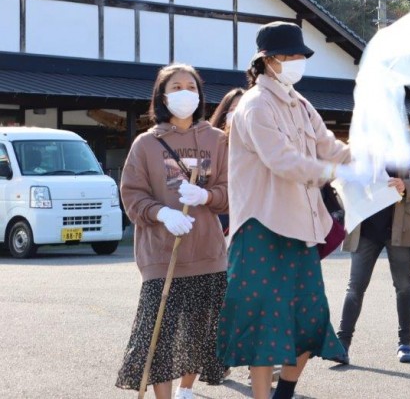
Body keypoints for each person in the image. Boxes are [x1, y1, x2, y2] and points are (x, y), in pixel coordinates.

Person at [216, 21, 371, 399]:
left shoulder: (301, 104)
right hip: (261, 228)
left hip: (300, 227)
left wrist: (368, 159)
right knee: (263, 328)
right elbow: (282, 160)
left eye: (300, 55)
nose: (298, 61)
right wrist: (336, 171)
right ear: (268, 61)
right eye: (290, 56)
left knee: (310, 320)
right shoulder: (253, 106)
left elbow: (328, 145)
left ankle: (284, 393)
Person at [116, 63, 229, 399]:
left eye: (191, 87)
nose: (185, 93)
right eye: (176, 87)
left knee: (199, 332)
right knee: (157, 336)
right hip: (161, 255)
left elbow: (232, 192)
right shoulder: (146, 144)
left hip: (208, 254)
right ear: (162, 96)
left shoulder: (217, 140)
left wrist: (207, 195)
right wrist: (161, 212)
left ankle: (186, 391)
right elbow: (132, 195)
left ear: (200, 94)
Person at [337, 132, 410, 364]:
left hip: (399, 224)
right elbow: (344, 173)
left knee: (403, 285)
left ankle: (405, 343)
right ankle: (342, 345)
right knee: (355, 286)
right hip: (365, 224)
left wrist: (405, 184)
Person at [209, 87, 244, 234]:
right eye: (234, 108)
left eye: (244, 109)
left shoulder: (262, 147)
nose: (238, 113)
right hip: (220, 217)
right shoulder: (211, 144)